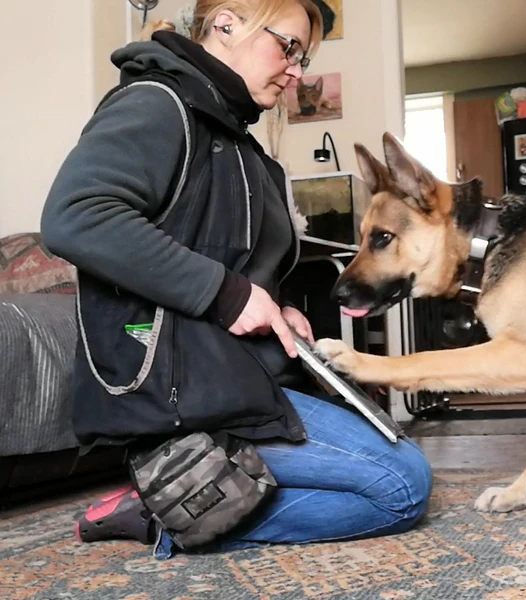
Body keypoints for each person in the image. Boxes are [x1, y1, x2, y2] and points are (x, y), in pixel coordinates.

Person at [40, 0, 432, 559]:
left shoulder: (235, 137)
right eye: (289, 47)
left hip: (238, 380)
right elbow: (76, 216)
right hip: (185, 398)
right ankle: (171, 504)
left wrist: (273, 306)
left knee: (400, 467)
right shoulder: (157, 104)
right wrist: (228, 294)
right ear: (226, 23)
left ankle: (192, 496)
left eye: (304, 55)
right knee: (401, 488)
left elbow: (224, 258)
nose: (297, 70)